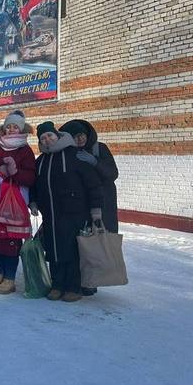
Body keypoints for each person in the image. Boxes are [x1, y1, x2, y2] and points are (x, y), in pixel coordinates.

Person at [30, 122, 103, 303]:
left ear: (57, 135)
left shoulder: (75, 155)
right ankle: (57, 285)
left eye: (50, 136)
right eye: (43, 138)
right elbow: (34, 184)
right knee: (54, 250)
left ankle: (73, 286)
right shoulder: (41, 161)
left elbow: (93, 185)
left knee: (72, 249)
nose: (47, 140)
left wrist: (96, 212)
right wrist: (33, 201)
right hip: (51, 215)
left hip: (75, 213)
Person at [60, 119, 119, 296]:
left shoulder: (99, 149)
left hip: (102, 204)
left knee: (95, 243)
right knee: (79, 242)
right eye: (75, 136)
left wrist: (94, 161)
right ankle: (77, 279)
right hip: (79, 205)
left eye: (82, 135)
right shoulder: (68, 153)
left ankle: (91, 282)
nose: (80, 140)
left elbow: (112, 173)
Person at [0, 110, 36, 294]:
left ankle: (9, 278)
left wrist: (15, 172)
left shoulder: (25, 150)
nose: (11, 129)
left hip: (15, 200)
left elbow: (30, 177)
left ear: (22, 129)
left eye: (15, 127)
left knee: (11, 239)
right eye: (8, 126)